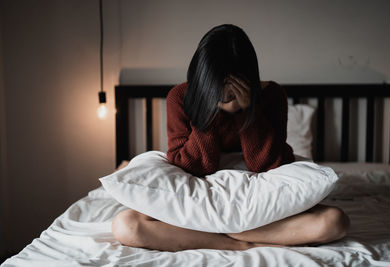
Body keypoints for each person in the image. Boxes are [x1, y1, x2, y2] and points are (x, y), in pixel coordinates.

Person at [111, 24, 350, 251]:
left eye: (234, 88)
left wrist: (249, 112)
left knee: (335, 222)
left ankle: (226, 233)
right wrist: (209, 112)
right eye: (218, 89)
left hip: (257, 200)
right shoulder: (180, 97)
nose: (227, 96)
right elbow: (190, 167)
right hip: (200, 200)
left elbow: (267, 164)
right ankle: (239, 242)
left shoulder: (272, 95)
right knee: (125, 225)